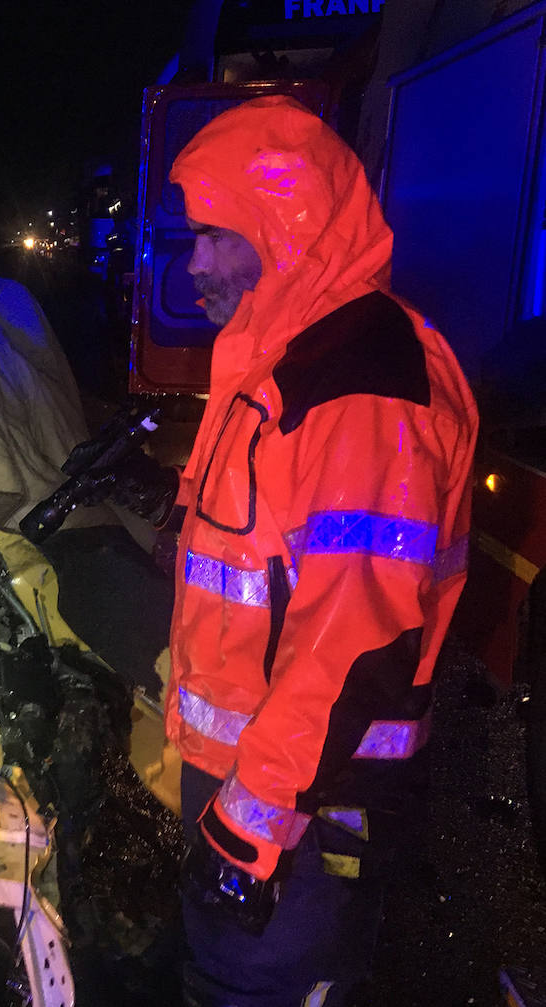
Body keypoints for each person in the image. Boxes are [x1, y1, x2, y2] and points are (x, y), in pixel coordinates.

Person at [109, 96, 477, 1005]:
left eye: (214, 236)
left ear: (284, 225)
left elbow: (352, 640)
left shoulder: (363, 386)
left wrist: (247, 830)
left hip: (303, 816)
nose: (195, 264)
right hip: (263, 793)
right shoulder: (287, 362)